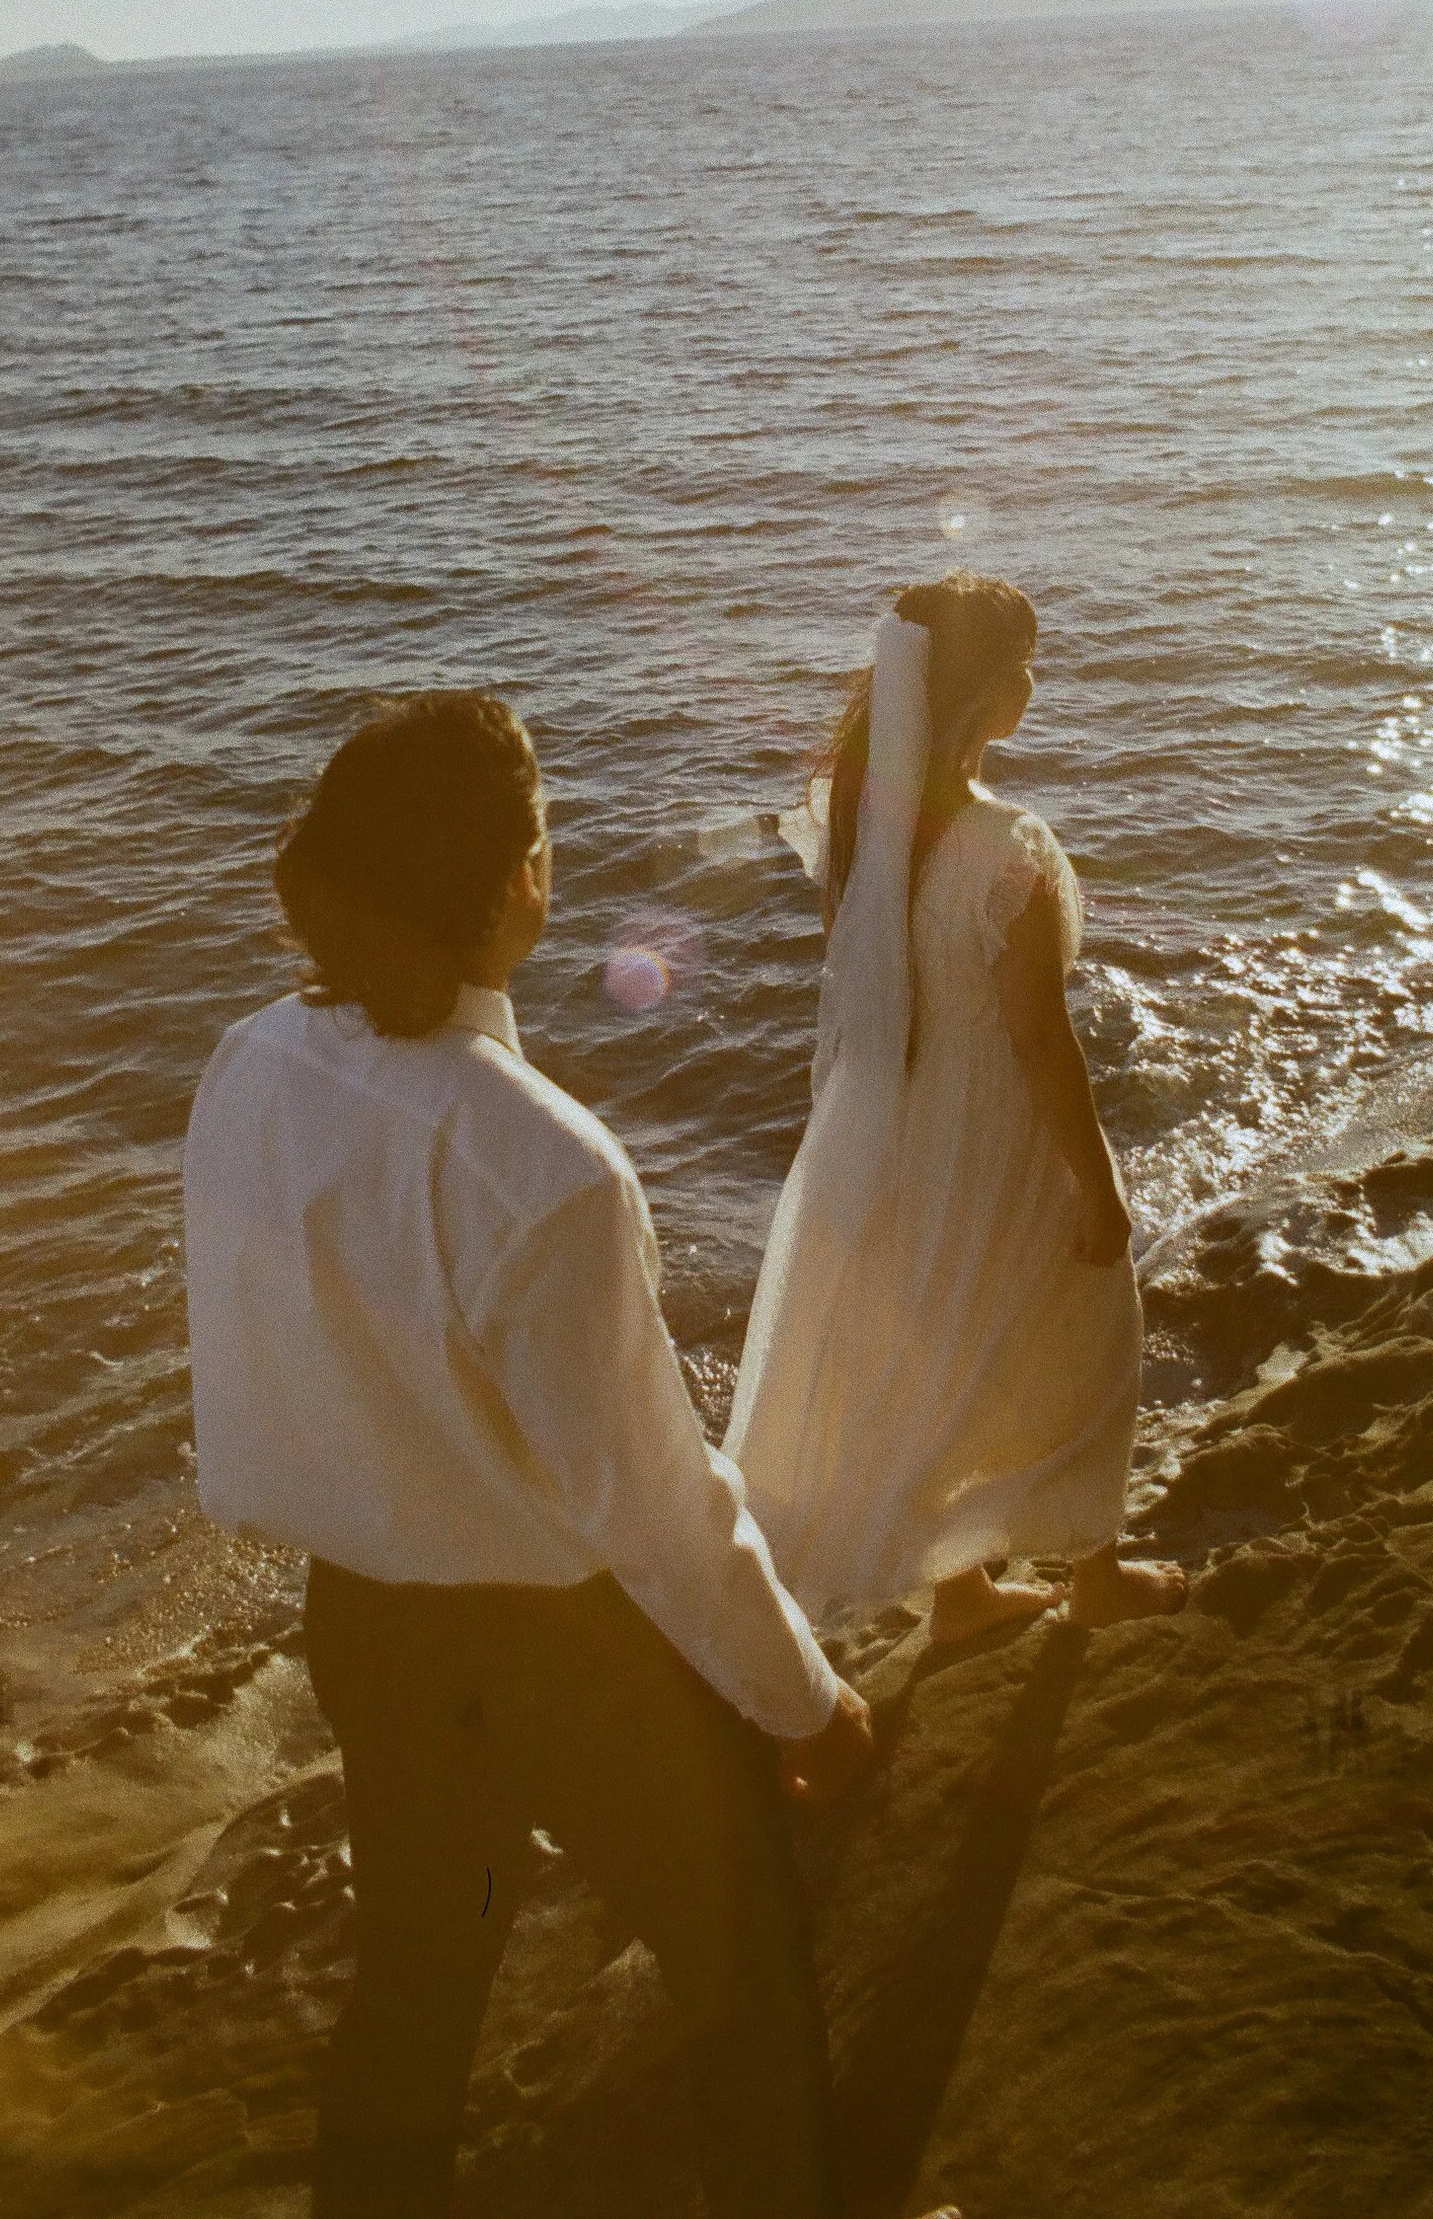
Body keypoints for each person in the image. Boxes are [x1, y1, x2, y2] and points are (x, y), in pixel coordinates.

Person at [182, 690, 885, 2219]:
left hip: (365, 1625)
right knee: (741, 1960)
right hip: (567, 1660)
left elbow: (259, 1346)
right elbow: (658, 1508)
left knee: (416, 1986)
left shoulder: (249, 1060)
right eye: (545, 835)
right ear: (517, 882)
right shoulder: (547, 1166)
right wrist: (808, 1703)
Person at [726, 575, 1188, 1645]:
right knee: (1088, 1326)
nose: (1033, 684)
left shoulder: (860, 827)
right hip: (997, 1127)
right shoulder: (1008, 848)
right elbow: (1039, 1038)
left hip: (894, 1121)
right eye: (1025, 666)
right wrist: (1097, 1183)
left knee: (935, 1344)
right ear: (992, 697)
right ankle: (1097, 1578)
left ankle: (964, 1595)